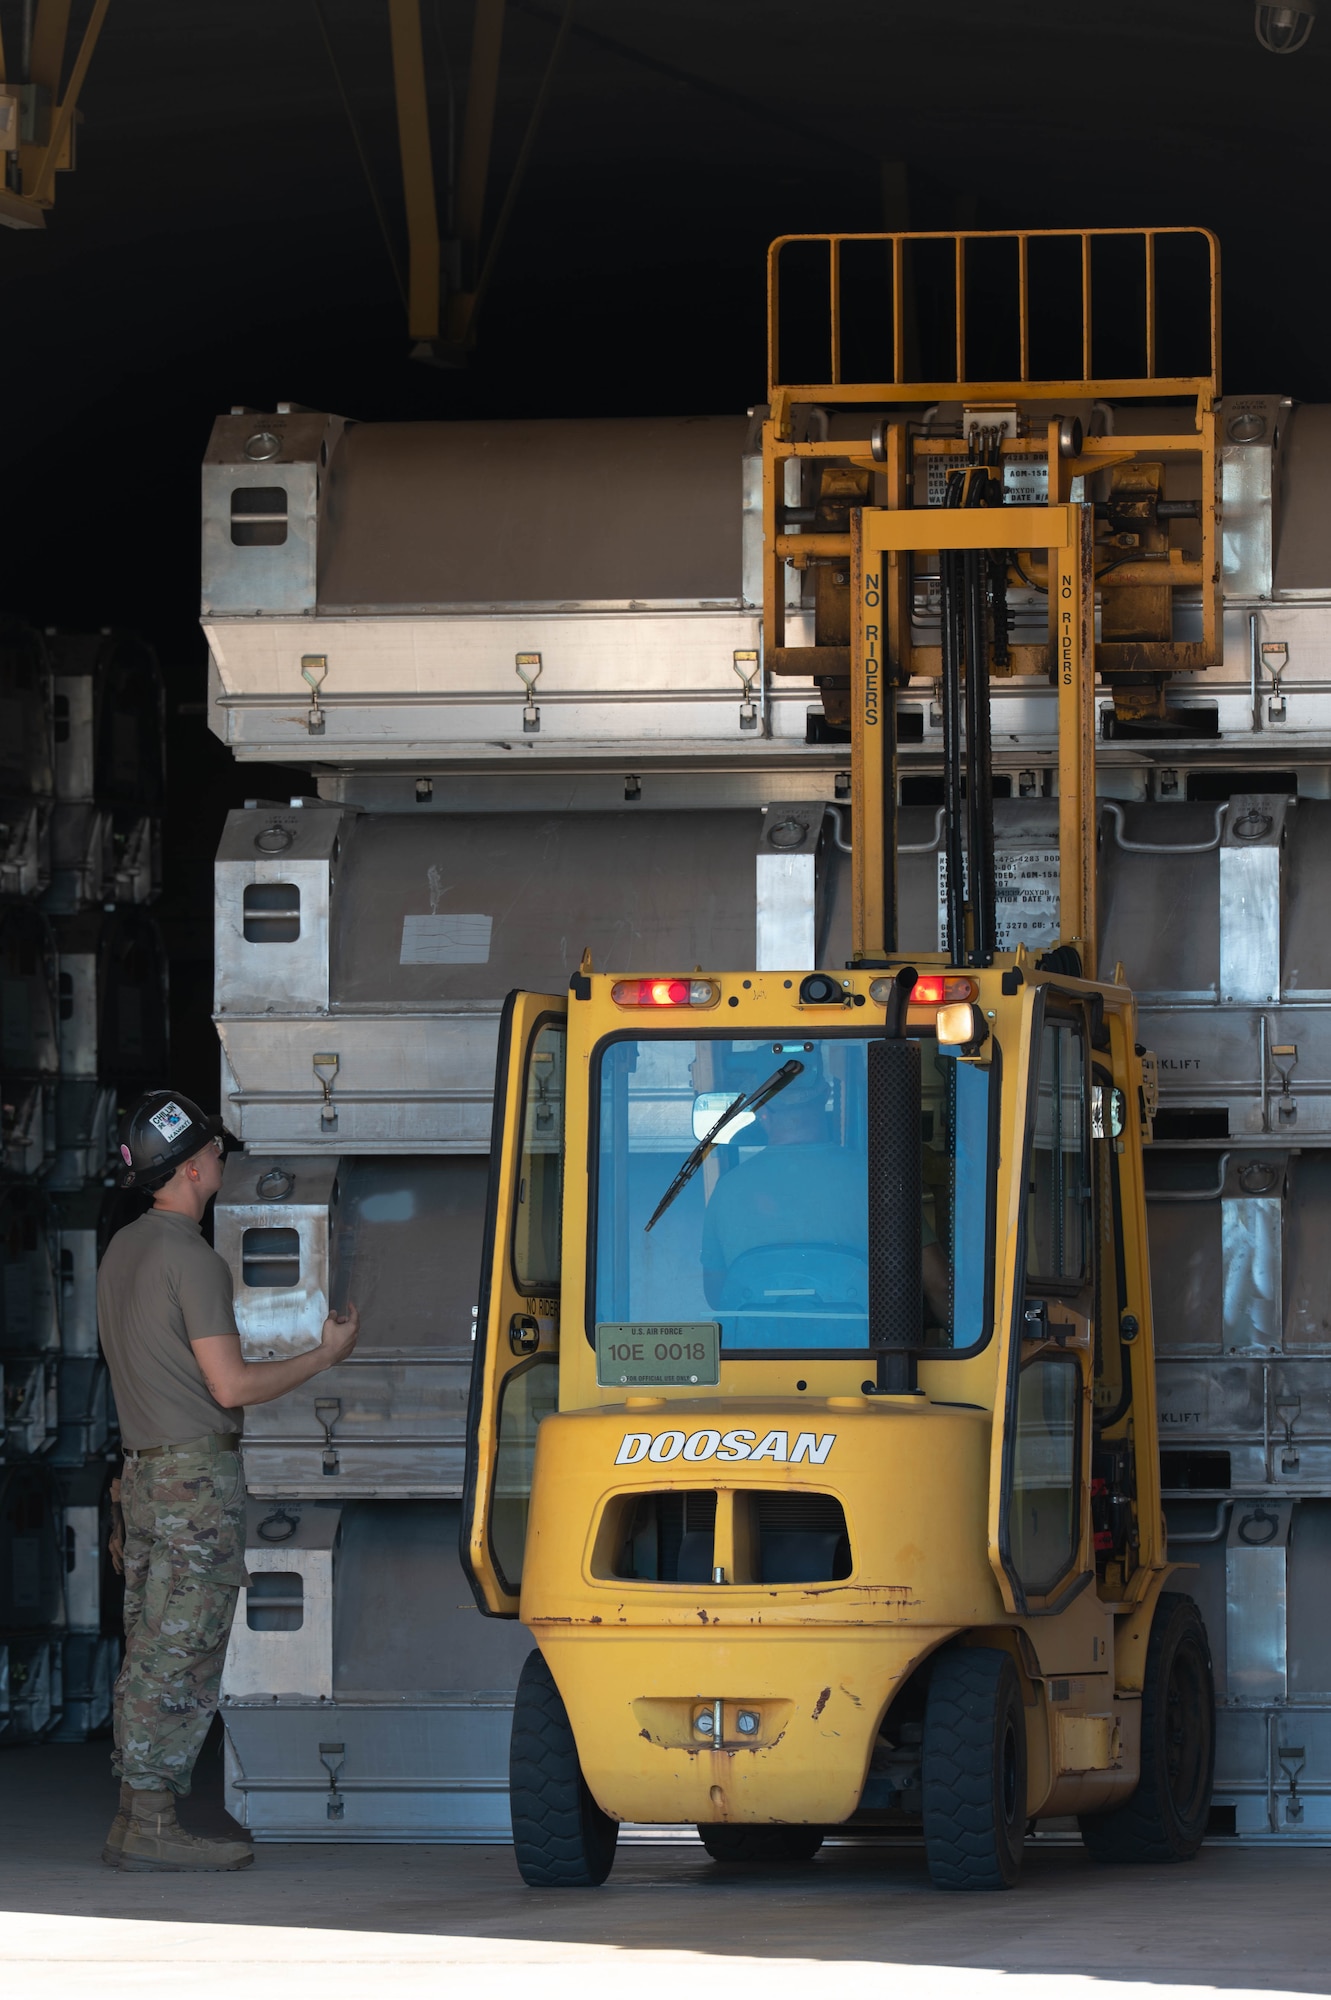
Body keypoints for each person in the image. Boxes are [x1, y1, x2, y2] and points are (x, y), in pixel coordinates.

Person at [97, 1089, 360, 1872]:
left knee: (149, 1641)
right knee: (181, 1648)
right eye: (213, 1151)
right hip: (191, 1480)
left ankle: (133, 1813)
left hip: (141, 1474)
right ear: (185, 1171)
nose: (222, 1160)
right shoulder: (191, 1260)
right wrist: (325, 1355)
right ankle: (148, 1820)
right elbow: (231, 1387)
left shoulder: (121, 1251)